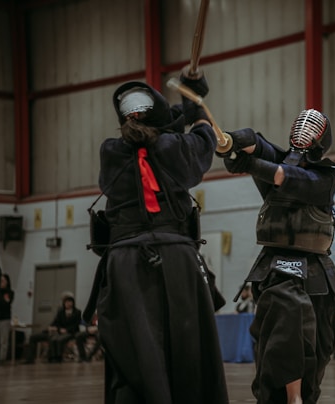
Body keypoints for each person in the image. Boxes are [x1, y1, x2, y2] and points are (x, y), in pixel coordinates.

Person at [83, 65, 228, 403]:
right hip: (177, 259)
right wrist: (196, 99)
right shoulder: (177, 148)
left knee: (134, 357)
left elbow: (159, 127)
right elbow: (204, 132)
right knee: (190, 354)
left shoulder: (110, 150)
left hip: (124, 264)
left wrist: (187, 97)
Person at [222, 109, 335, 404]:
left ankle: (303, 396)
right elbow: (255, 143)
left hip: (318, 272)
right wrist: (233, 141)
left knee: (320, 347)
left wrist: (252, 164)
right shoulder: (277, 164)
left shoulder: (326, 177)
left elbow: (286, 176)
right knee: (285, 329)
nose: (305, 131)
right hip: (277, 267)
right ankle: (291, 399)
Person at [24, 293, 82, 363]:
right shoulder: (61, 312)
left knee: (57, 339)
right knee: (33, 337)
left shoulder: (77, 312)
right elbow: (56, 322)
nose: (68, 303)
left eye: (70, 301)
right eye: (66, 302)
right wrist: (52, 327)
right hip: (58, 331)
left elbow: (76, 325)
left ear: (73, 303)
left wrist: (65, 330)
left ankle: (56, 358)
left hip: (70, 332)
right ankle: (30, 359)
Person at [0, 274, 14, 363]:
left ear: (7, 282)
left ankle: (2, 359)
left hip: (4, 319)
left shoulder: (9, 292)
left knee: (3, 340)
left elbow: (5, 303)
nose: (1, 282)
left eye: (3, 281)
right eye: (0, 280)